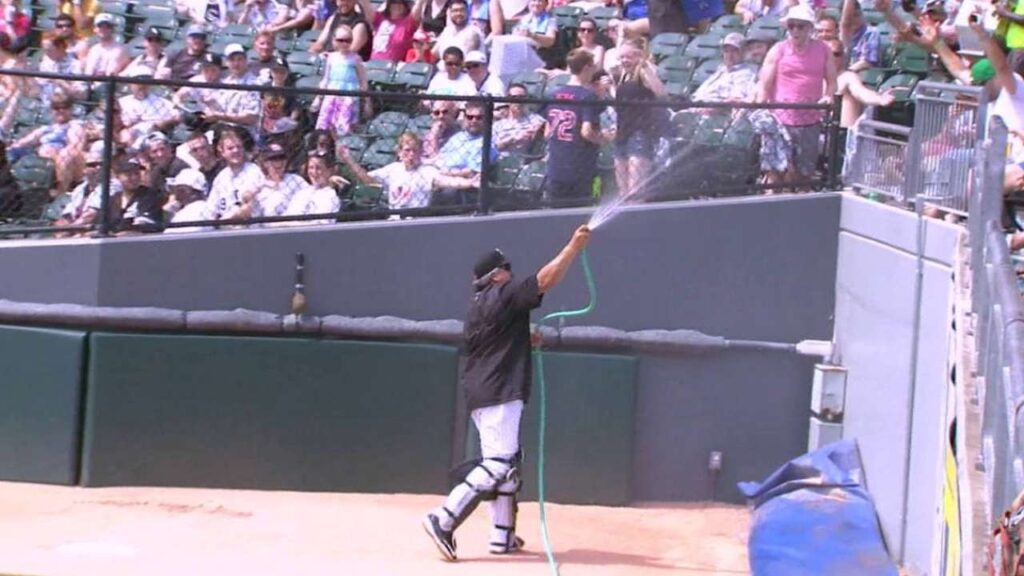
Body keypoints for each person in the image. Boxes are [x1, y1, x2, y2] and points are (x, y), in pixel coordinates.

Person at [422, 223, 593, 561]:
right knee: (499, 464)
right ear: (497, 275)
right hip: (499, 390)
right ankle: (443, 518)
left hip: (485, 391)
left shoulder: (480, 304)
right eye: (508, 269)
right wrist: (573, 246)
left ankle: (503, 537)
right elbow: (543, 281)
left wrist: (524, 339)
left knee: (507, 467)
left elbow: (493, 338)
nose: (512, 274)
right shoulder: (502, 293)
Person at [755, 3, 836, 186]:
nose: (795, 30)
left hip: (810, 119)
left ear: (809, 28)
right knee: (775, 172)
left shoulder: (824, 50)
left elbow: (832, 81)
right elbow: (764, 83)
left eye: (800, 26)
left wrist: (829, 96)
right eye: (791, 25)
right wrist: (761, 106)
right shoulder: (778, 49)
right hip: (780, 119)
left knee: (803, 173)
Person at [544, 49, 610, 201]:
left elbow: (547, 132)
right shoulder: (586, 96)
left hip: (556, 164)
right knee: (578, 212)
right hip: (579, 165)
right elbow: (586, 132)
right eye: (593, 66)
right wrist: (604, 138)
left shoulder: (554, 94)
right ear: (586, 67)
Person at [609, 37, 666, 197]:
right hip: (622, 134)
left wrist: (645, 65)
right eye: (621, 57)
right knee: (623, 192)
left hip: (640, 134)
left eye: (628, 57)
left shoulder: (643, 72)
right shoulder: (622, 76)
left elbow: (661, 94)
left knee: (636, 191)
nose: (624, 61)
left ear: (638, 56)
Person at [314, 25, 370, 138]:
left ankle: (340, 151)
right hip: (332, 94)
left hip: (349, 96)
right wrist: (318, 98)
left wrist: (367, 101)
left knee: (344, 128)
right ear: (334, 40)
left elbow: (363, 81)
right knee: (326, 127)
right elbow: (326, 78)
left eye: (348, 40)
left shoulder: (356, 58)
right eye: (340, 40)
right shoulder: (331, 57)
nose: (344, 44)